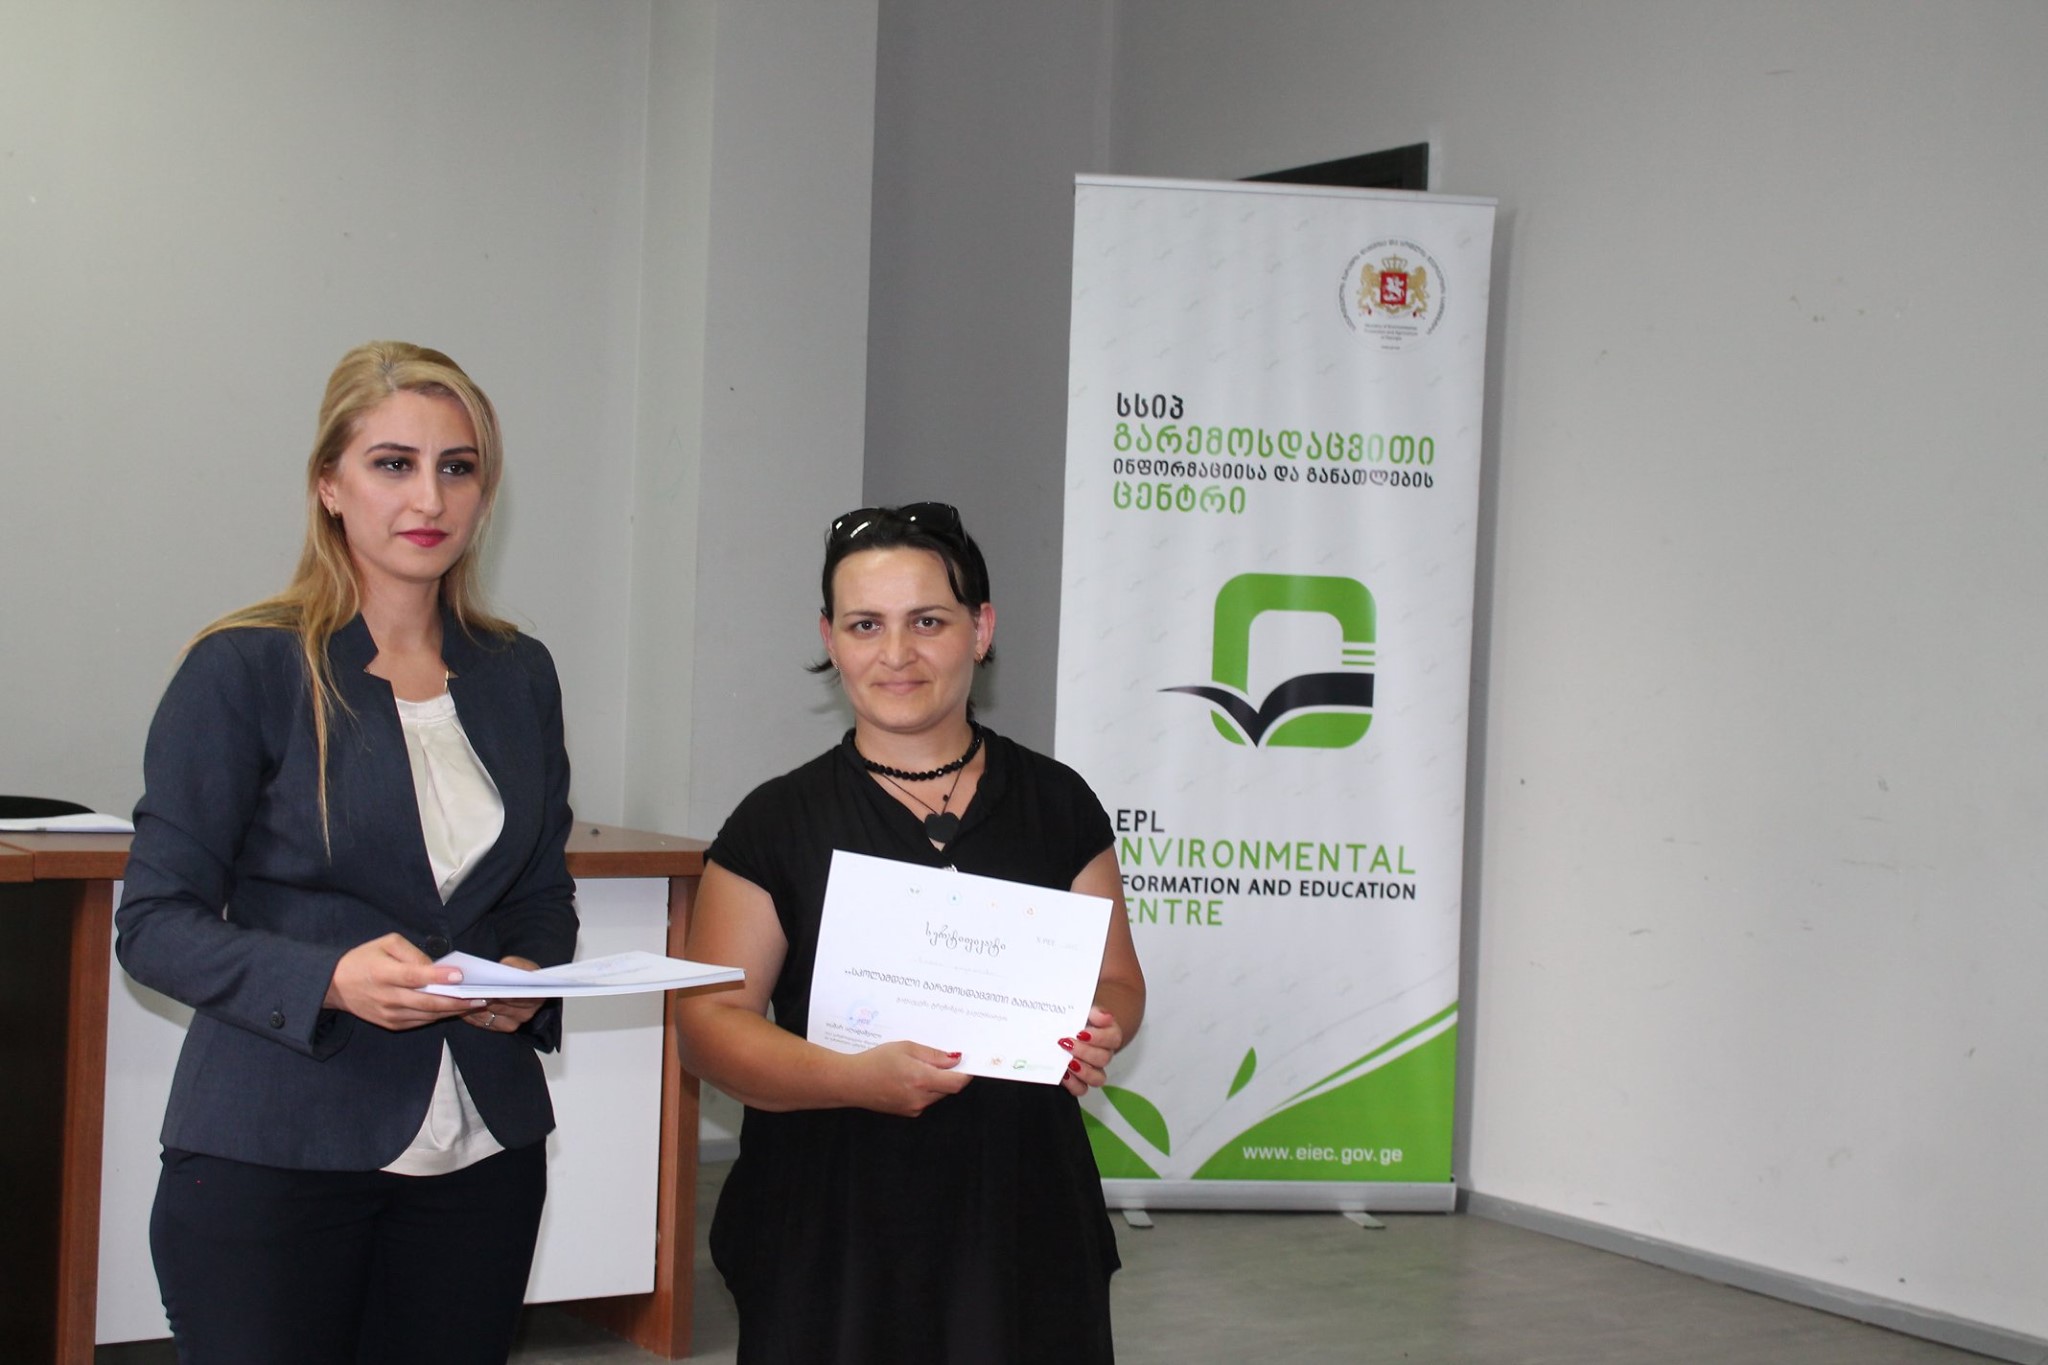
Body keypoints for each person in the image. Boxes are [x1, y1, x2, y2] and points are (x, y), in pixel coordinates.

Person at [115, 341, 578, 1364]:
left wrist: (526, 978)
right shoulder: (245, 666)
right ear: (329, 483)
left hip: (484, 1151)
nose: (430, 497)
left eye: (458, 467)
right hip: (277, 1150)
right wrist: (328, 978)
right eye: (392, 464)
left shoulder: (518, 673)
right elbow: (152, 926)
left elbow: (542, 890)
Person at [675, 501, 1146, 1363]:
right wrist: (853, 1078)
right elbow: (708, 1027)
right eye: (866, 624)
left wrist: (1102, 1024)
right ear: (830, 638)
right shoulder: (775, 822)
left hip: (1021, 1211)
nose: (896, 653)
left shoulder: (1057, 803)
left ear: (981, 629)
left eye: (928, 620)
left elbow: (1117, 977)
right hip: (833, 1219)